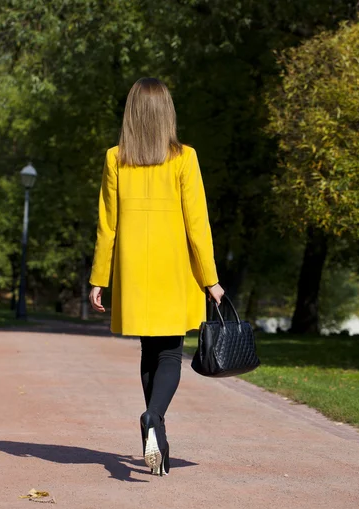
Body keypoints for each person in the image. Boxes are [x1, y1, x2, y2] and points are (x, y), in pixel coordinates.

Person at [88, 77, 224, 477]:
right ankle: (152, 418)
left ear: (131, 113)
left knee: (150, 352)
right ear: (167, 113)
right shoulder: (185, 157)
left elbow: (106, 225)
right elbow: (198, 225)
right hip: (173, 270)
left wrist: (99, 278)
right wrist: (210, 278)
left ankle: (157, 436)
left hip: (133, 272)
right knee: (169, 354)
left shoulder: (115, 158)